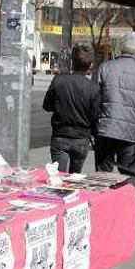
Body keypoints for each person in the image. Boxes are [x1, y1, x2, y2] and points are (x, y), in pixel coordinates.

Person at [94, 31, 135, 178]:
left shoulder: (105, 68)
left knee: (103, 173)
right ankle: (128, 199)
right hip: (130, 132)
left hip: (105, 129)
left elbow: (95, 99)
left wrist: (94, 125)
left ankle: (104, 201)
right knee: (128, 174)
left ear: (120, 48)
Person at [43, 44, 100, 173]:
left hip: (60, 136)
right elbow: (95, 115)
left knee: (58, 176)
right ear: (91, 65)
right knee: (75, 177)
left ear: (71, 61)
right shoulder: (93, 88)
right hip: (81, 139)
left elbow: (47, 105)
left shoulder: (59, 80)